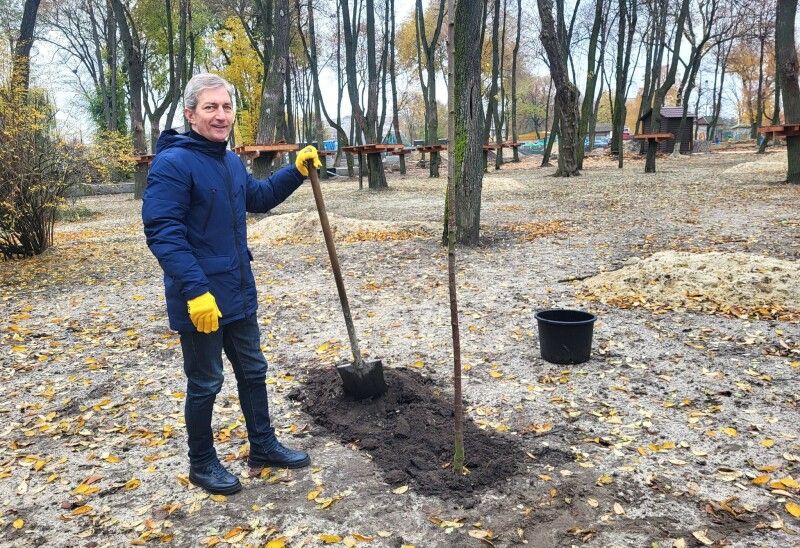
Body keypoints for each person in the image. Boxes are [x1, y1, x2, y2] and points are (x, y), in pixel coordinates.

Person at [142, 73, 322, 495]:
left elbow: (255, 199)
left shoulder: (228, 161)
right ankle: (202, 464)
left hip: (238, 289)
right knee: (206, 383)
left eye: (226, 107)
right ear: (190, 114)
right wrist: (194, 291)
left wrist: (293, 171)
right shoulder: (173, 163)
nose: (220, 115)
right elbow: (163, 230)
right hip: (201, 298)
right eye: (210, 107)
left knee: (253, 371)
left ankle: (263, 446)